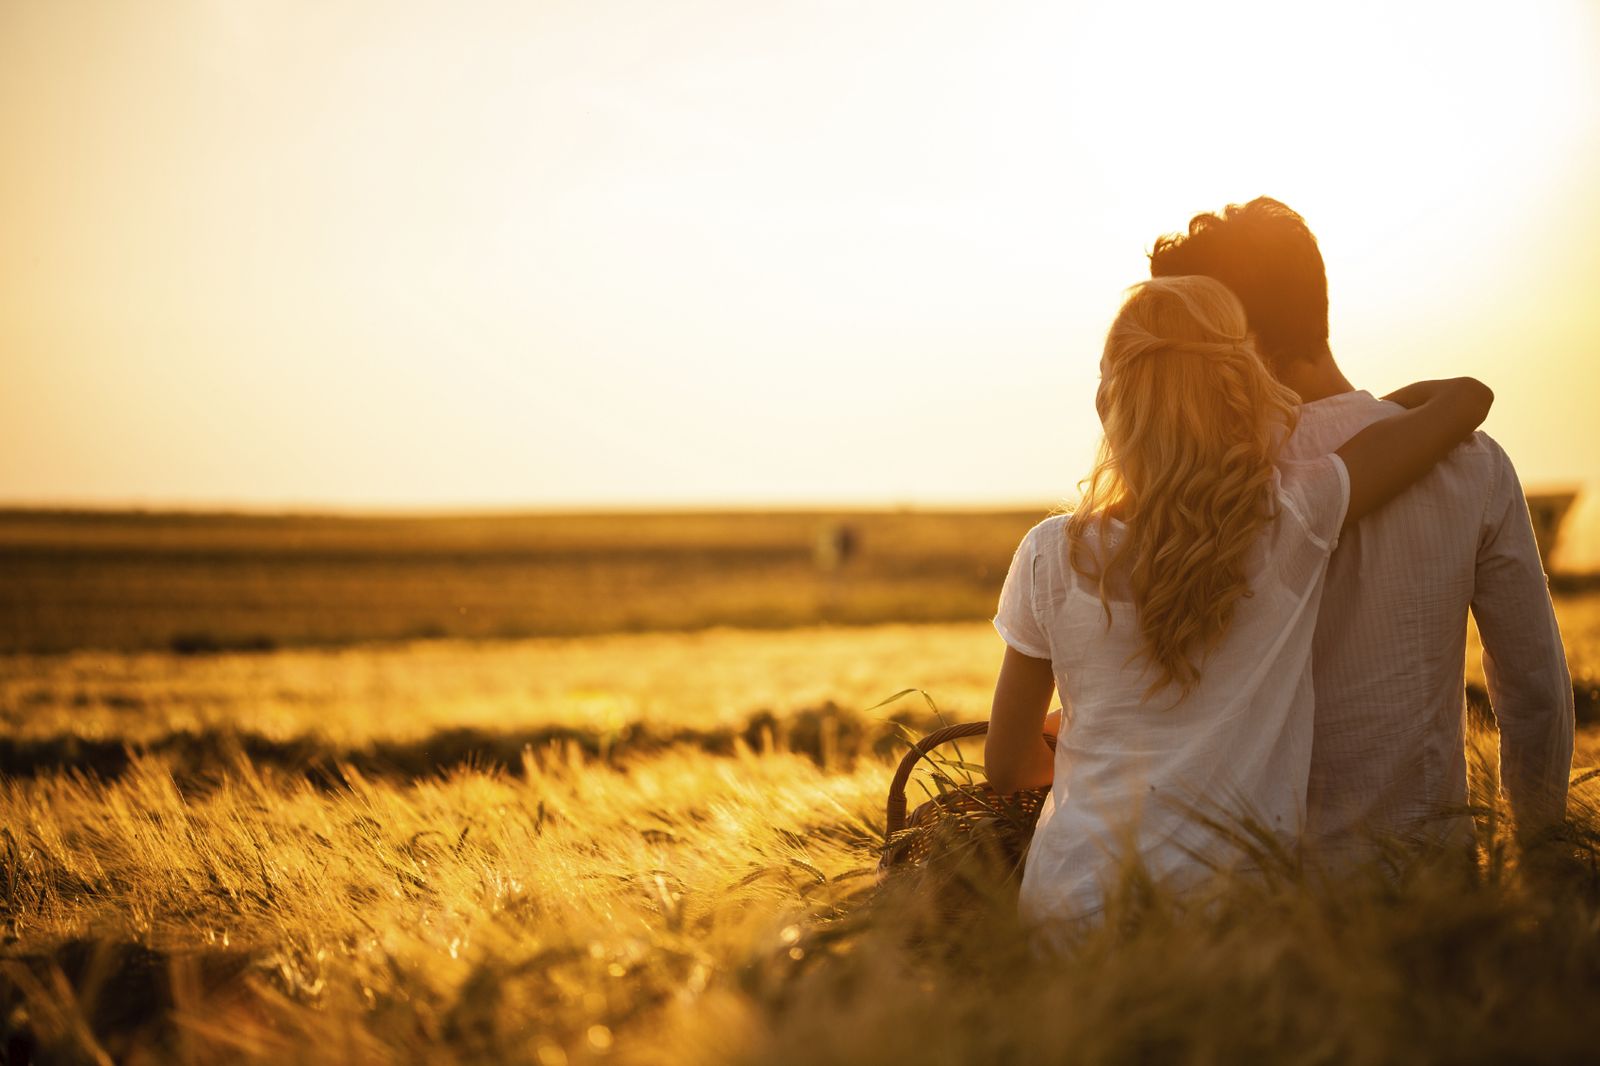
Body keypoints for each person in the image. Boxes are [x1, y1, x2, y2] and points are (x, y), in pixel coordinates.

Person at [984, 275, 1493, 929]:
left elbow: (1006, 764)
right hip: (1235, 922)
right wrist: (1370, 415)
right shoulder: (1295, 517)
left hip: (1069, 917)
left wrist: (1098, 740)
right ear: (1238, 388)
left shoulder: (1051, 552)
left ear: (1111, 399)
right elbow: (1466, 400)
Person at [1148, 198, 1573, 858]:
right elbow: (1535, 692)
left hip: (1250, 895)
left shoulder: (1209, 492)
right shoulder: (1471, 461)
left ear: (1233, 339)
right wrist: (1542, 868)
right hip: (1428, 883)